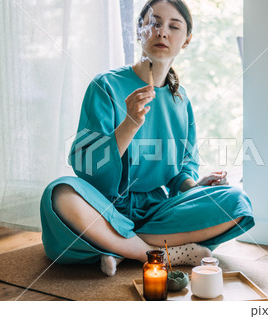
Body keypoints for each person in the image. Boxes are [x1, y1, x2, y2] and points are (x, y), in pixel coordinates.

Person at [40, 0, 254, 276]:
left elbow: (182, 169)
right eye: (153, 23)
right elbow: (87, 167)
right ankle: (159, 253)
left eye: (173, 26)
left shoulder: (181, 101)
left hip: (155, 213)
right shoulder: (106, 85)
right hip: (104, 207)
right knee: (61, 193)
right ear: (139, 30)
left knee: (236, 201)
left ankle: (116, 247)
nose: (162, 32)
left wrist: (196, 187)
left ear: (186, 40)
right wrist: (128, 125)